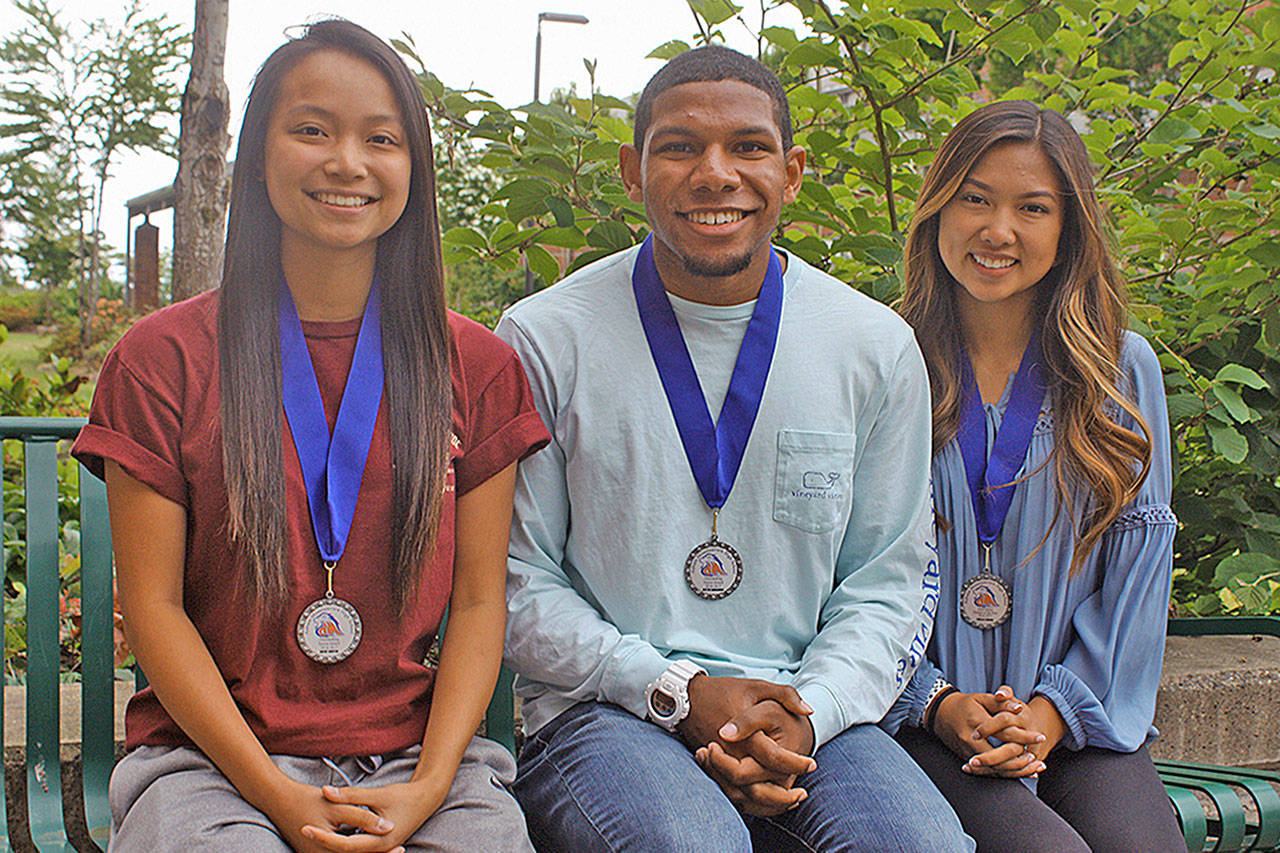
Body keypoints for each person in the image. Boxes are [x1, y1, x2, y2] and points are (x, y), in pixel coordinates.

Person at [71, 19, 549, 853]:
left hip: (414, 760)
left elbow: (479, 600)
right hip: (207, 764)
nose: (347, 162)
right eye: (312, 130)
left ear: (413, 168)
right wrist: (278, 797)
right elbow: (153, 609)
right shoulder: (162, 360)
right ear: (259, 152)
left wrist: (432, 784)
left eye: (381, 138)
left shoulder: (476, 365)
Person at [495, 45, 971, 852]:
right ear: (631, 171)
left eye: (748, 147)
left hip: (806, 708)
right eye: (679, 146)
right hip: (599, 708)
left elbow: (887, 583)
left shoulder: (873, 345)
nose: (715, 174)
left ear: (790, 172)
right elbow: (516, 578)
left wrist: (807, 714)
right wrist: (678, 690)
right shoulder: (546, 336)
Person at [882, 100, 1185, 851]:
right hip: (918, 718)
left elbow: (1136, 575)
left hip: (1073, 717)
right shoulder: (884, 361)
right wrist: (937, 699)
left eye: (1033, 207)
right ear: (938, 209)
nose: (998, 229)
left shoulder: (1118, 372)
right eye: (975, 198)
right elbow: (838, 569)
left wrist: (1052, 711)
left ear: (1068, 228)